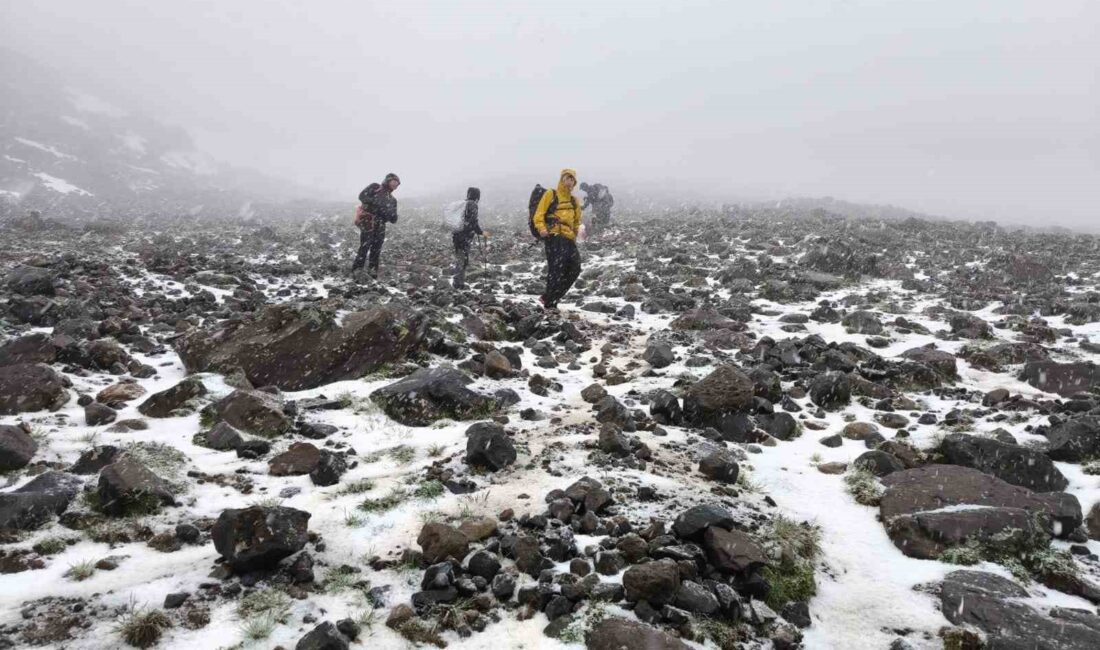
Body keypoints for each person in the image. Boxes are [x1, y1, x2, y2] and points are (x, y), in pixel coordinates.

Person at [532, 169, 582, 309]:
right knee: (556, 270)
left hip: (569, 238)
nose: (570, 181)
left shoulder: (574, 200)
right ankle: (551, 304)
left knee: (575, 268)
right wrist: (541, 228)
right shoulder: (551, 194)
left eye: (572, 179)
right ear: (562, 179)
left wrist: (575, 233)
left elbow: (577, 220)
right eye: (567, 178)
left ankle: (549, 297)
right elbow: (539, 214)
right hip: (554, 236)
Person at [351, 173, 400, 278]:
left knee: (377, 248)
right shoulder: (375, 187)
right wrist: (376, 203)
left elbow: (393, 219)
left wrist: (392, 216)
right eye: (394, 182)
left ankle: (372, 272)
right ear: (388, 180)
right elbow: (362, 196)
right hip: (368, 220)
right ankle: (357, 271)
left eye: (397, 184)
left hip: (381, 224)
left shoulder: (393, 200)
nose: (396, 185)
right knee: (365, 245)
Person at [452, 187, 484, 289]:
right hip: (465, 236)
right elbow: (473, 221)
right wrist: (480, 232)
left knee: (459, 257)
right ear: (477, 196)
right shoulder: (473, 205)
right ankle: (459, 283)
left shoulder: (463, 204)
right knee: (463, 259)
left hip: (457, 235)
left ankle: (457, 281)